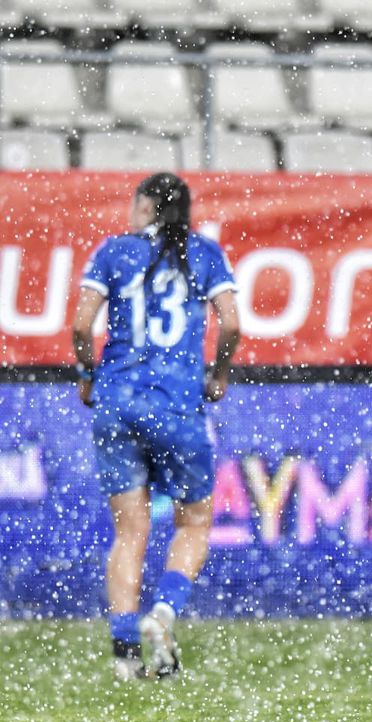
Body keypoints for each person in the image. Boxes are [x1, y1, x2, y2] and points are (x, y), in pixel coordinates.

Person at [71, 172, 240, 681]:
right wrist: (219, 373)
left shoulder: (114, 251)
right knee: (192, 523)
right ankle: (163, 612)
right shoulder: (204, 253)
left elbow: (82, 325)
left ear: (146, 205)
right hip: (176, 404)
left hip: (118, 400)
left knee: (130, 531)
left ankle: (125, 656)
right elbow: (231, 323)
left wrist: (86, 374)